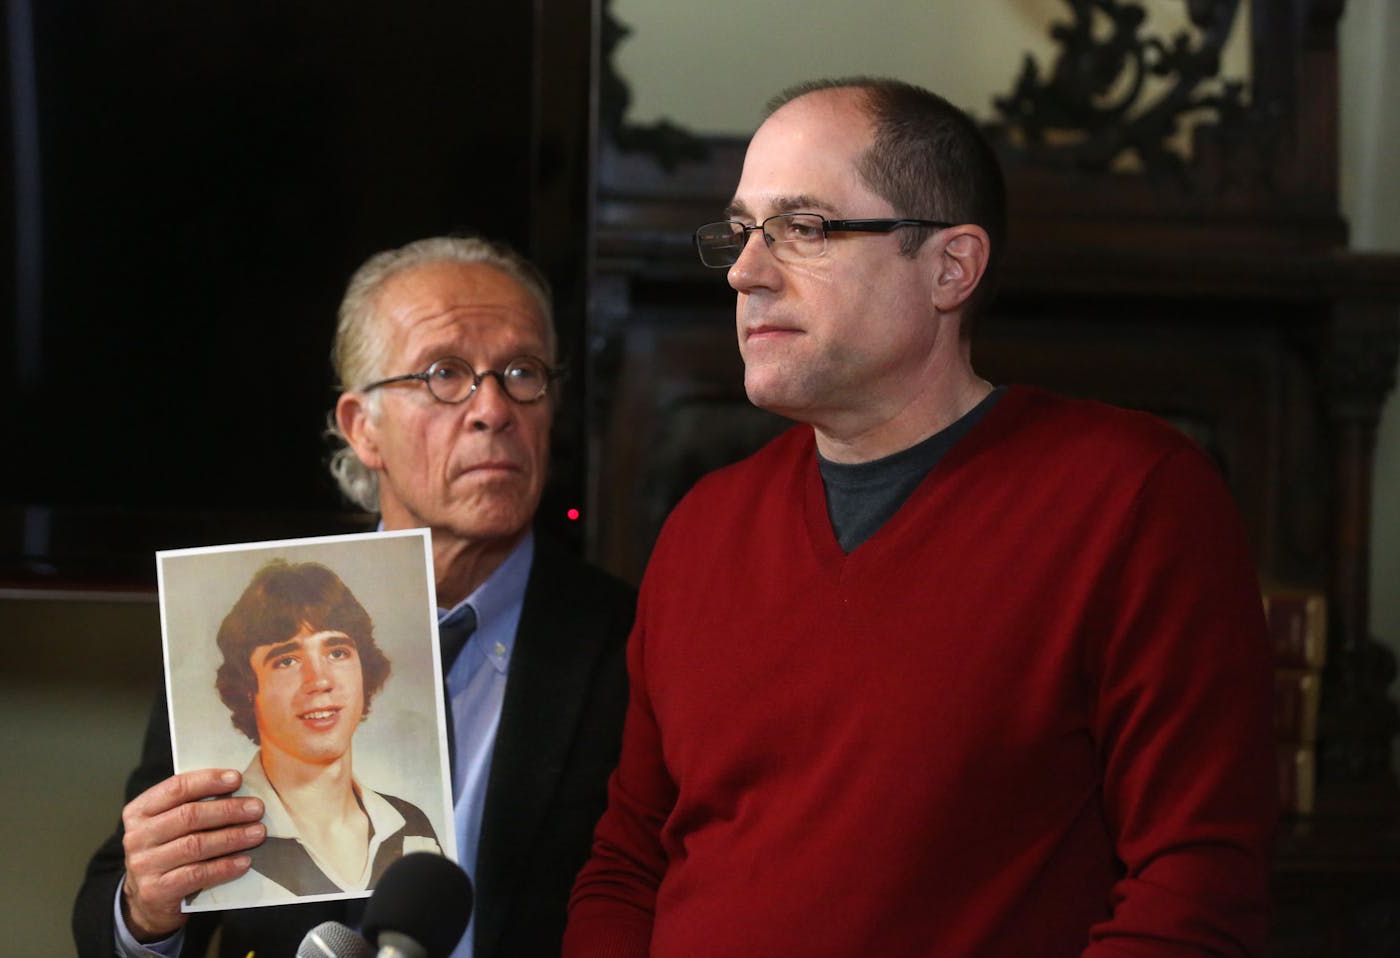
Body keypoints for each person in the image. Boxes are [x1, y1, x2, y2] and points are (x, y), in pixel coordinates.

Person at [563, 77, 1278, 956]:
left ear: (951, 267)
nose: (746, 272)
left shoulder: (1131, 497)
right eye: (743, 232)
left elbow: (1196, 884)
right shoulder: (704, 527)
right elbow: (629, 863)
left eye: (805, 229)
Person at [73, 235, 636, 958]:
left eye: (522, 372)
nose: (493, 408)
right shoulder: (250, 620)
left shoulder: (629, 636)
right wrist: (147, 907)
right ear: (361, 427)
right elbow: (115, 912)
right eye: (445, 373)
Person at [191, 558, 443, 907]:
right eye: (287, 660)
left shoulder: (413, 828)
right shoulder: (215, 840)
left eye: (337, 651)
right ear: (248, 688)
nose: (320, 680)